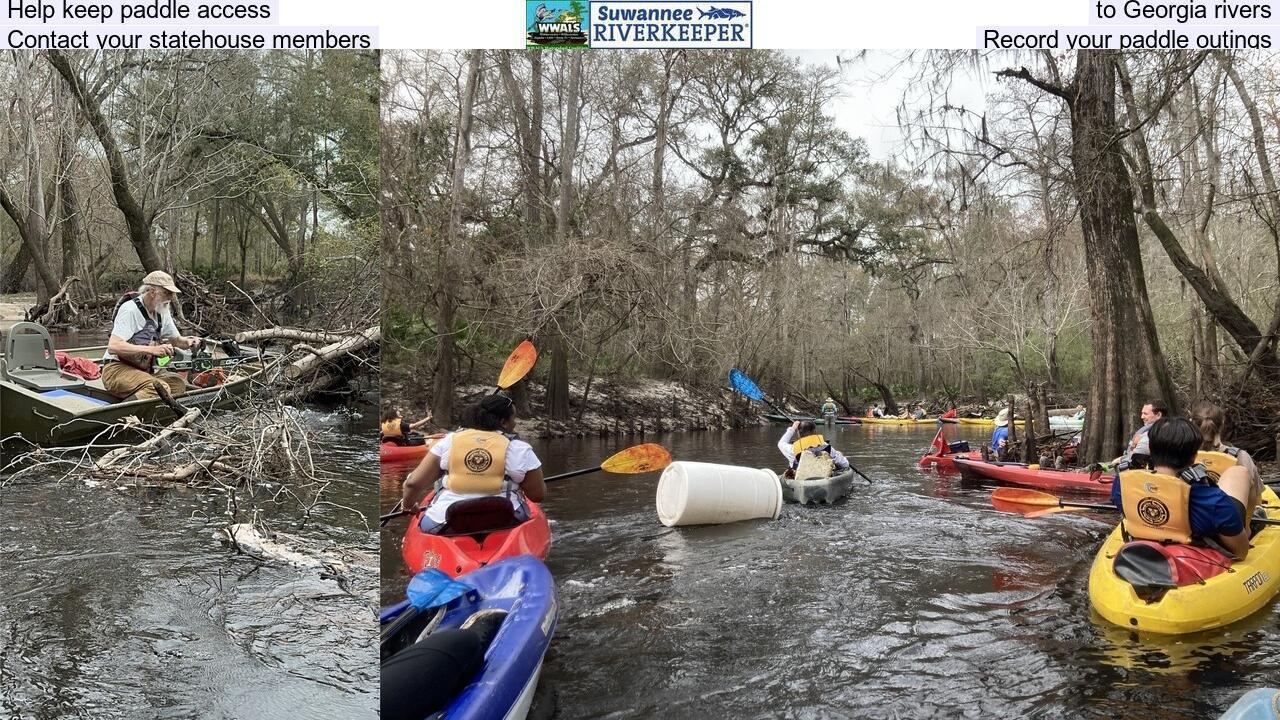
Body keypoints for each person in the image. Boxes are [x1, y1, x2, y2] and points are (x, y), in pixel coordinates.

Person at [1110, 417, 1255, 559]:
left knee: (1237, 474)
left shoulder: (1121, 484)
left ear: (1150, 449)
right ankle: (1248, 530)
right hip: (1197, 555)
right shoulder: (1214, 501)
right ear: (1194, 456)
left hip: (1144, 543)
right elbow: (1240, 553)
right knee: (1240, 473)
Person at [401, 394, 546, 534]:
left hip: (444, 523)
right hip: (506, 521)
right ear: (503, 422)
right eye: (514, 418)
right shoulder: (520, 449)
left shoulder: (448, 441)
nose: (515, 423)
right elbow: (537, 496)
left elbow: (412, 484)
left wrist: (408, 505)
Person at [101, 271, 203, 401]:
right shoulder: (130, 310)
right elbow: (113, 346)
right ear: (152, 291)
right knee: (160, 388)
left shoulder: (162, 310)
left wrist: (190, 341)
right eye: (167, 293)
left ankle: (154, 416)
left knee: (178, 385)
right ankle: (123, 415)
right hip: (116, 370)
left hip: (143, 371)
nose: (171, 297)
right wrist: (152, 350)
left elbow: (176, 340)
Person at [1190, 401, 1263, 511]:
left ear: (1191, 423)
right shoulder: (1240, 457)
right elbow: (1256, 501)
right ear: (1222, 422)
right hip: (1233, 524)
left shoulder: (1182, 458)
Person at [777, 420, 850, 477]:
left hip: (801, 480)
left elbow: (781, 443)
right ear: (815, 431)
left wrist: (792, 428)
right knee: (837, 456)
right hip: (823, 478)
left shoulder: (792, 449)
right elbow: (845, 464)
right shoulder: (826, 446)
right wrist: (839, 455)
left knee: (789, 469)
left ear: (798, 433)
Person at [1112, 400, 1167, 469]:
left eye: (1145, 414)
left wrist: (1120, 460)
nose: (1142, 417)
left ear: (1158, 415)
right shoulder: (1166, 429)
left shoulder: (1152, 435)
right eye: (1142, 413)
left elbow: (1136, 460)